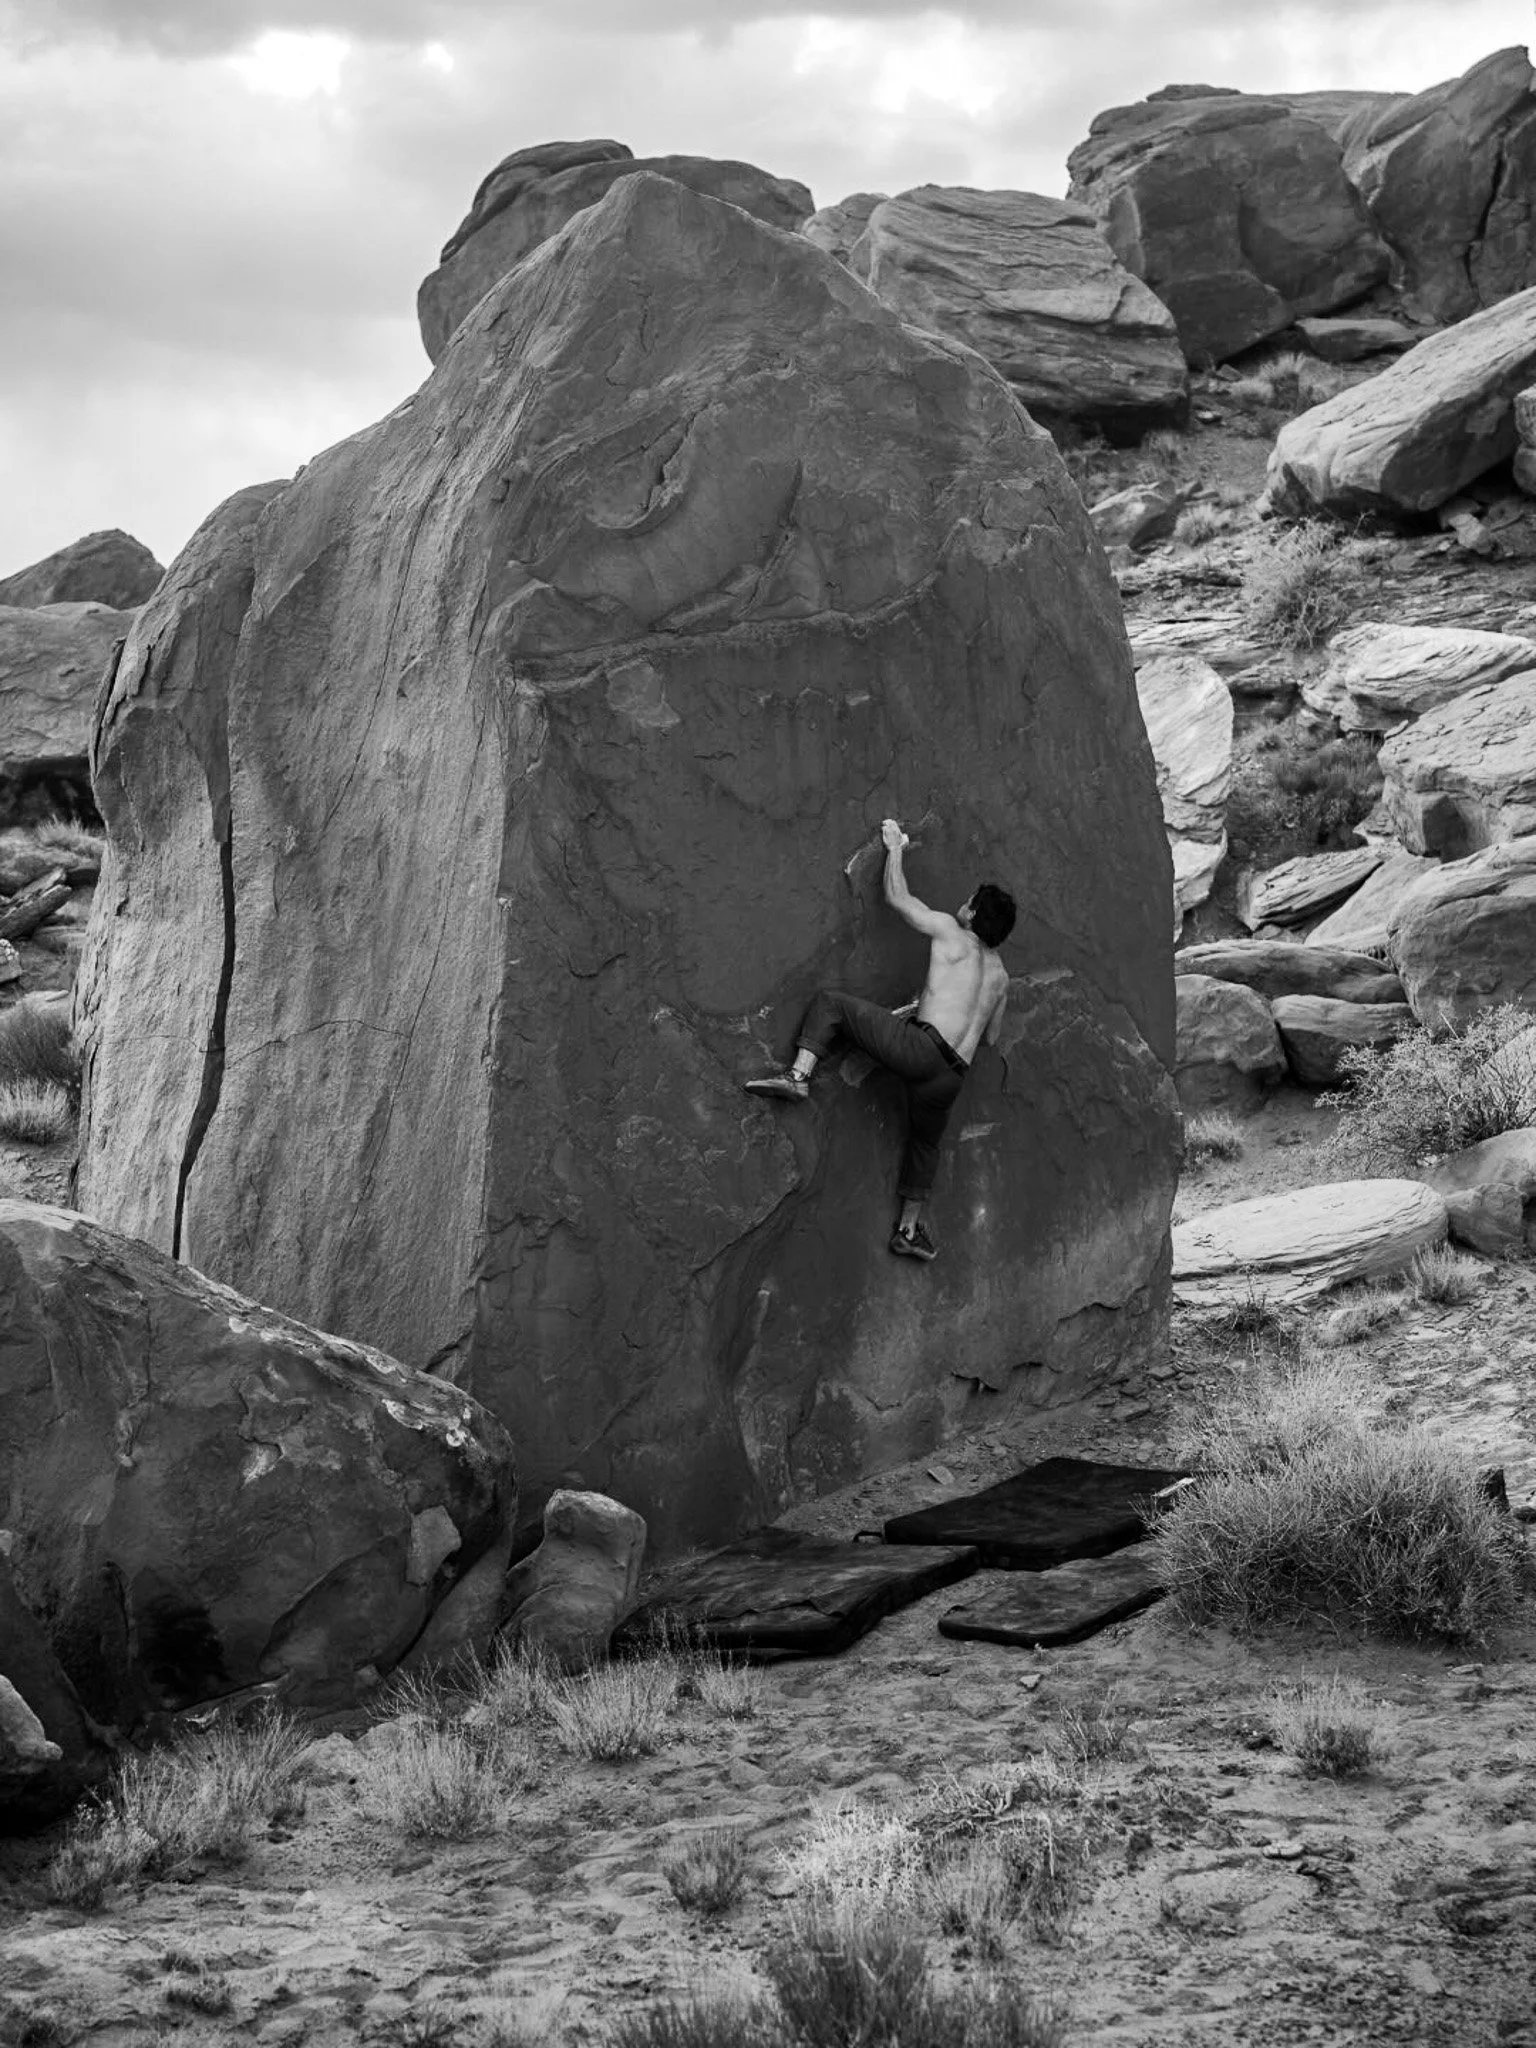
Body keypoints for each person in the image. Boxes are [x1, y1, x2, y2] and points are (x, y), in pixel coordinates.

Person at [745, 818, 1015, 1262]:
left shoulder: (952, 933)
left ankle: (798, 1076)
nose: (962, 904)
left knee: (831, 1004)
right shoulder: (1001, 978)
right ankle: (908, 1229)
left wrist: (894, 849)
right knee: (925, 1145)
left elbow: (898, 898)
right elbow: (990, 1039)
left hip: (919, 1051)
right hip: (951, 1078)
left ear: (972, 913)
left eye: (969, 902)